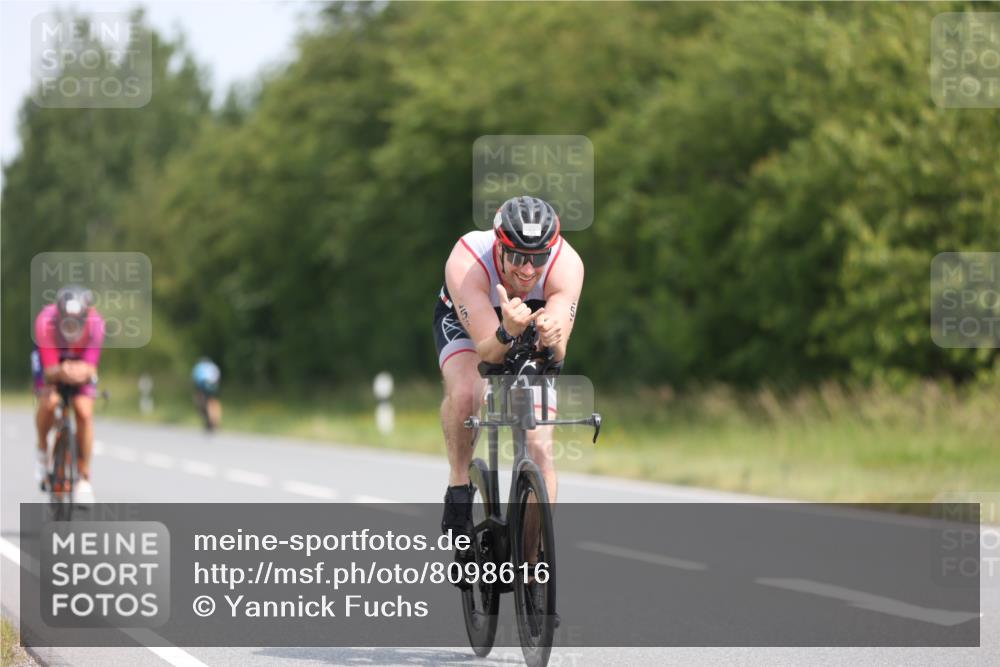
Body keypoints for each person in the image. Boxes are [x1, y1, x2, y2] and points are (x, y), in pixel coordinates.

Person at [434, 195, 584, 538]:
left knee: (540, 447)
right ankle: (459, 483)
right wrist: (506, 332)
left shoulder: (568, 264)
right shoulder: (468, 258)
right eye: (517, 256)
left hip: (526, 322)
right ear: (498, 246)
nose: (528, 270)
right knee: (467, 392)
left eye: (538, 258)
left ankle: (530, 567)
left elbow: (556, 355)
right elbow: (488, 354)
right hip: (469, 321)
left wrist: (551, 339)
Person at [33, 285, 105, 504]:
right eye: (66, 322)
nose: (71, 328)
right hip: (52, 361)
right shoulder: (45, 321)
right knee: (49, 401)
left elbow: (91, 367)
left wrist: (80, 372)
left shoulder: (96, 324)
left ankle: (83, 477)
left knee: (84, 411)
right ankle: (43, 451)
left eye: (77, 323)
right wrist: (60, 372)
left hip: (80, 366)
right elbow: (50, 370)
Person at [191, 357, 222, 431]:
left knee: (200, 401)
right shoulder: (213, 366)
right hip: (214, 385)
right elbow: (218, 377)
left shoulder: (199, 366)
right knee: (212, 401)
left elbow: (194, 378)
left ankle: (208, 419)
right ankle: (215, 419)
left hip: (203, 384)